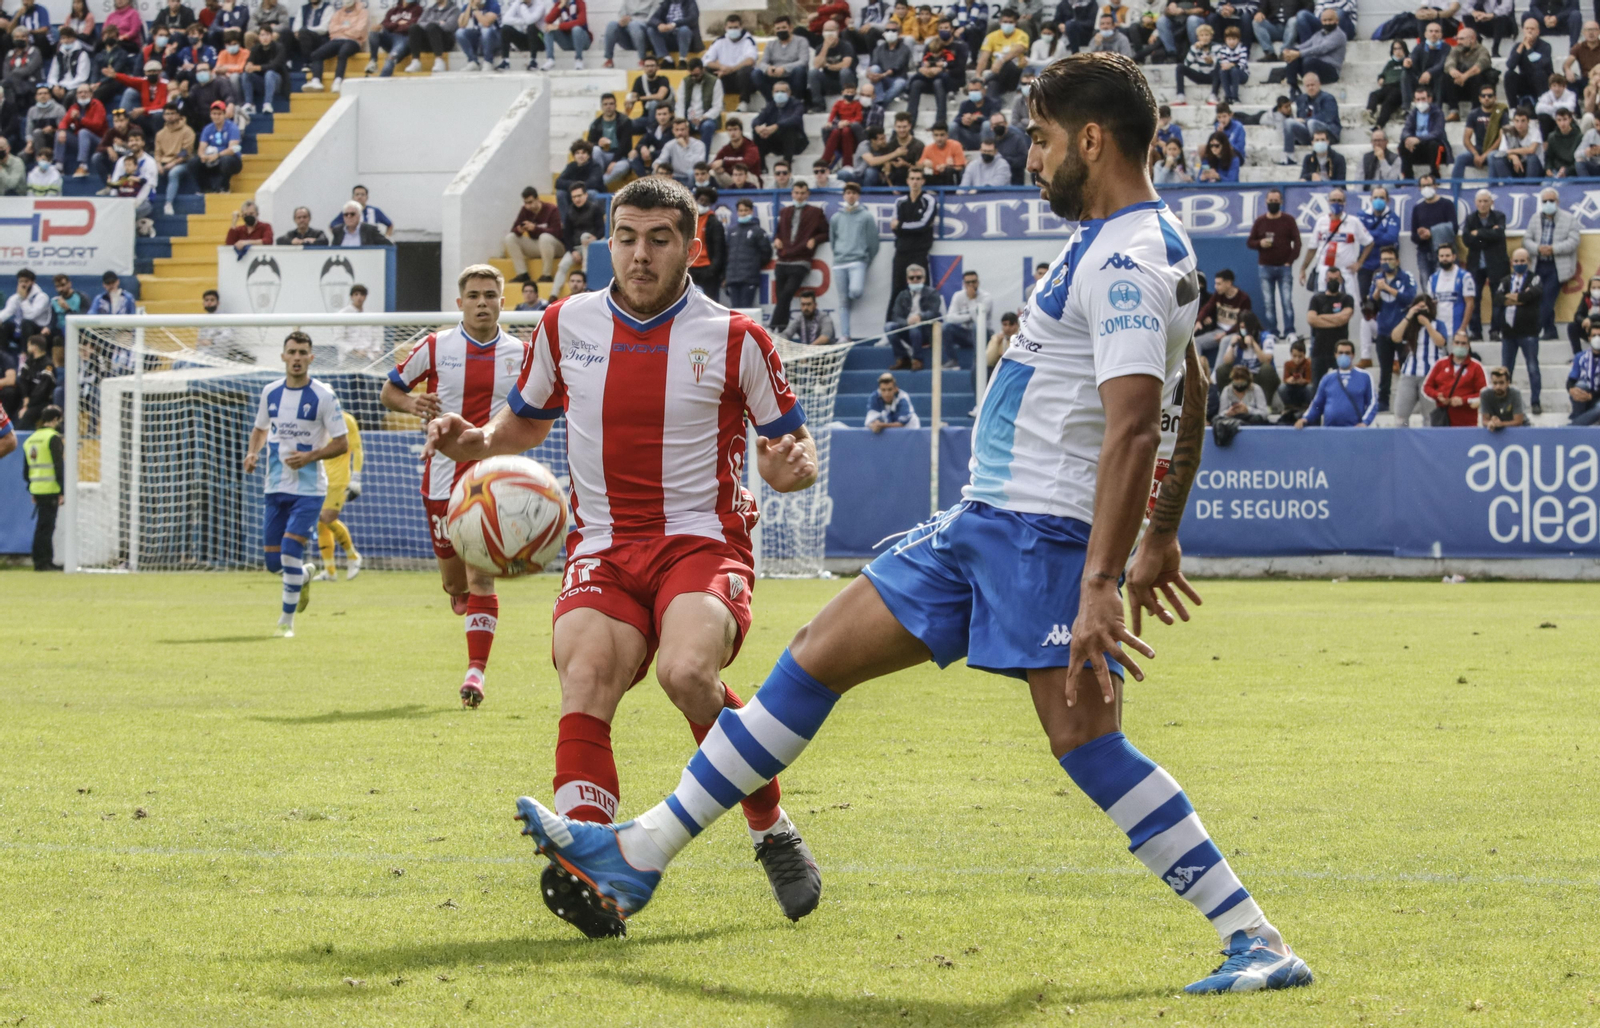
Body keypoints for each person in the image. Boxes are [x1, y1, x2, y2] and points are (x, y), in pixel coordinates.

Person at [515, 55, 1315, 998]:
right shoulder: (1126, 241)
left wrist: (1106, 576)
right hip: (986, 525)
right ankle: (636, 855)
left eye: (1044, 140)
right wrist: (1163, 531)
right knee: (812, 658)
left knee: (1087, 744)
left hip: (1039, 539)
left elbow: (1139, 421)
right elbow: (1189, 377)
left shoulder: (1127, 257)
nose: (1033, 158)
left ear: (1092, 140)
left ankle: (1254, 937)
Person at [427, 177, 826, 939]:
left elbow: (789, 446)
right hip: (603, 544)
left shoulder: (737, 338)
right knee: (584, 677)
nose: (640, 255)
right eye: (627, 238)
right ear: (609, 242)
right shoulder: (563, 324)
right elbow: (524, 422)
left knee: (687, 673)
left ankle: (770, 827)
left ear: (692, 247)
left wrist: (788, 469)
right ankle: (594, 868)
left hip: (702, 540)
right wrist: (475, 441)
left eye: (659, 239)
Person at [377, 265, 528, 701]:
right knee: (455, 584)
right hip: (442, 478)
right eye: (474, 296)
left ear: (503, 302)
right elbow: (389, 391)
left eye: (490, 295)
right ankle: (458, 593)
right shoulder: (435, 346)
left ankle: (475, 673)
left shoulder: (522, 354)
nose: (482, 303)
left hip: (493, 479)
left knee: (482, 579)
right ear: (460, 303)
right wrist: (412, 403)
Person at [241, 332, 350, 637]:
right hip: (276, 486)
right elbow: (260, 429)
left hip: (309, 490)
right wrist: (252, 453)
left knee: (290, 549)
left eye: (303, 352)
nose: (297, 358)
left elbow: (341, 443)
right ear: (283, 357)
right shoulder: (270, 392)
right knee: (273, 562)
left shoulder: (324, 396)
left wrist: (310, 456)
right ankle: (302, 576)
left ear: (311, 358)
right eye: (292, 352)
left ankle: (286, 623)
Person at [313, 408, 364, 579]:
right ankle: (329, 571)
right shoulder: (316, 421)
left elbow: (357, 449)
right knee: (321, 523)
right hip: (320, 479)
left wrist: (356, 478)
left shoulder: (346, 420)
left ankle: (353, 556)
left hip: (339, 479)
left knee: (327, 518)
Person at [771, 181, 827, 334]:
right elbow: (778, 232)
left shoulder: (816, 212)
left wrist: (815, 239)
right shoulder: (785, 211)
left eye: (802, 193)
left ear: (807, 194)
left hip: (801, 260)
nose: (799, 196)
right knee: (782, 298)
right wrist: (776, 239)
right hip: (783, 260)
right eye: (796, 193)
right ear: (792, 194)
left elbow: (825, 232)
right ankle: (781, 331)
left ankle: (772, 327)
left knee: (787, 293)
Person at [1246, 188, 1301, 339]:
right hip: (1265, 267)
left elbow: (1297, 242)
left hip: (1284, 267)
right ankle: (1273, 331)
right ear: (1266, 201)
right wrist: (1260, 243)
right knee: (1268, 302)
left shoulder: (1288, 220)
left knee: (1287, 301)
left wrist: (1290, 261)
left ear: (1281, 202)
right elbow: (1250, 242)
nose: (1273, 203)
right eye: (1271, 201)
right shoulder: (1260, 221)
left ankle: (1289, 330)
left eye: (1276, 201)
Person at [1497, 247, 1545, 414]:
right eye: (1516, 261)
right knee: (1506, 370)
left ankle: (1535, 402)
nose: (1519, 263)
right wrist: (1520, 298)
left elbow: (1531, 295)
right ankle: (1505, 404)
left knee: (1532, 368)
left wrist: (1512, 297)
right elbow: (1498, 299)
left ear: (1528, 262)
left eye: (1522, 261)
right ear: (1511, 262)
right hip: (1508, 332)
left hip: (1529, 332)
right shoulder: (1505, 280)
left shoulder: (1535, 278)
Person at [1528, 187, 1579, 347]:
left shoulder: (1569, 218)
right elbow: (1526, 240)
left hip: (1557, 266)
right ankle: (1550, 331)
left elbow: (1574, 241)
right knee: (1539, 299)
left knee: (1547, 299)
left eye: (1551, 200)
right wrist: (1538, 248)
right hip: (1538, 264)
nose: (1548, 203)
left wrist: (1553, 249)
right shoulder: (1535, 218)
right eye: (1545, 201)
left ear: (1557, 201)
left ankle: (1534, 331)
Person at [828, 181, 878, 344]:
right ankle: (845, 335)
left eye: (854, 193)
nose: (851, 196)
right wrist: (838, 254)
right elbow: (833, 239)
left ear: (858, 196)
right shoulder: (836, 217)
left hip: (858, 261)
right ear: (844, 195)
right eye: (848, 193)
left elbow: (873, 242)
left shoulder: (866, 216)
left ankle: (848, 299)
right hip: (840, 262)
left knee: (856, 291)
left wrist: (866, 259)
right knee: (842, 301)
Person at [1368, 245, 1416, 409]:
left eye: (1389, 259)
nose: (1386, 262)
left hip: (1403, 329)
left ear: (1397, 261)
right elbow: (1371, 304)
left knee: (1406, 367)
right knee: (1385, 369)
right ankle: (1383, 401)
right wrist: (1377, 291)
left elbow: (1409, 298)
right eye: (1383, 259)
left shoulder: (1406, 276)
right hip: (1383, 329)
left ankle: (1409, 401)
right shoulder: (1377, 278)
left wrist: (1387, 288)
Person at [1299, 187, 1372, 298]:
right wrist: (1303, 268)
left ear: (1345, 203)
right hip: (1324, 273)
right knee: (1321, 304)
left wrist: (1359, 263)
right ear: (1328, 201)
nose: (1336, 203)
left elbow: (1369, 242)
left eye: (1339, 200)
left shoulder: (1353, 222)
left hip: (1344, 273)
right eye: (1333, 200)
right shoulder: (1321, 221)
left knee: (1346, 304)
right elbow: (1312, 247)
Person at [1461, 190, 1509, 341]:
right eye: (1480, 201)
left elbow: (1498, 235)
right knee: (1474, 298)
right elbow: (1467, 239)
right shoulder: (1470, 218)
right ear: (1475, 203)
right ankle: (1476, 332)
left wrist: (1479, 234)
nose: (1482, 204)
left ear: (1491, 202)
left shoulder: (1499, 216)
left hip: (1496, 264)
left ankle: (1495, 331)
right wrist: (1488, 235)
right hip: (1476, 265)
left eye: (1485, 201)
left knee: (1498, 298)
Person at [1294, 340, 1375, 427]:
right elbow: (1317, 404)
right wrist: (1305, 418)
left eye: (1347, 353)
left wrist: (1365, 422)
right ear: (1335, 355)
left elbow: (1372, 403)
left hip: (1355, 430)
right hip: (1330, 430)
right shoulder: (1327, 378)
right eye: (1340, 353)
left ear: (1353, 355)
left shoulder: (1364, 377)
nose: (1343, 355)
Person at [22, 403, 63, 570]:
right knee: (47, 527)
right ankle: (43, 562)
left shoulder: (30, 439)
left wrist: (32, 488)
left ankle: (41, 560)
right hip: (51, 488)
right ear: (55, 419)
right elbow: (58, 466)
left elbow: (26, 471)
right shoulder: (53, 438)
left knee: (41, 526)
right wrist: (62, 490)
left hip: (37, 488)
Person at [885, 261, 942, 370]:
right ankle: (903, 358)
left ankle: (917, 359)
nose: (915, 280)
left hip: (925, 329)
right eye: (912, 278)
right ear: (907, 280)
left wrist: (920, 317)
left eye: (918, 277)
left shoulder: (932, 293)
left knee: (914, 327)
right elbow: (895, 316)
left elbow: (934, 312)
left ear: (924, 279)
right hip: (908, 327)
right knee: (889, 327)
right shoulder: (902, 295)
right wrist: (907, 322)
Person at [1422, 330, 1488, 425]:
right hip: (1443, 420)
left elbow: (1483, 394)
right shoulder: (1441, 364)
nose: (1460, 346)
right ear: (1452, 344)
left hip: (1466, 421)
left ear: (1468, 346)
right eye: (1457, 342)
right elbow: (1427, 387)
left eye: (1463, 343)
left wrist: (1463, 400)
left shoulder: (1476, 367)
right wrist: (1437, 395)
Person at [505, 186, 563, 284]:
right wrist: (519, 230)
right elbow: (513, 229)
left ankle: (546, 275)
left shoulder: (551, 209)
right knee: (510, 238)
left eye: (530, 202)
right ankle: (522, 274)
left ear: (537, 199)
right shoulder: (525, 210)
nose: (528, 206)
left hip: (556, 246)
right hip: (537, 246)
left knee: (544, 237)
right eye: (526, 203)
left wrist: (535, 228)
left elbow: (557, 232)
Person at [1305, 266, 1354, 382]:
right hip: (1319, 350)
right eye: (1330, 279)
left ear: (1340, 280)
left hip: (1340, 350)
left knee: (1342, 383)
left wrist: (1321, 317)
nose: (1333, 282)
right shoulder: (1316, 299)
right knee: (1317, 386)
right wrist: (1336, 320)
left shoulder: (1347, 298)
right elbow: (1311, 319)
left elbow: (1344, 319)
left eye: (1336, 279)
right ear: (1325, 280)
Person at [1279, 71, 1339, 164]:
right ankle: (1289, 157)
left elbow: (1328, 117)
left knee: (1312, 123)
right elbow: (1300, 118)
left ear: (1319, 84)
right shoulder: (1301, 99)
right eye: (1307, 85)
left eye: (1312, 85)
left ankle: (1318, 156)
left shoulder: (1328, 98)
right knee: (1289, 122)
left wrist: (1305, 120)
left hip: (1328, 134)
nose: (1310, 88)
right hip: (1308, 134)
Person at [702, 15, 757, 110]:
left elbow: (750, 60)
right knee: (707, 71)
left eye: (736, 27)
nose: (733, 30)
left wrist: (731, 69)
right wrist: (721, 67)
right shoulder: (720, 41)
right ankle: (717, 103)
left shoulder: (748, 40)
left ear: (741, 27)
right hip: (723, 76)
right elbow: (706, 60)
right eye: (730, 28)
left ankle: (743, 103)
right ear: (725, 28)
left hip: (741, 79)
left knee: (746, 71)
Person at [751, 78, 808, 165]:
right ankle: (761, 166)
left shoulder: (796, 104)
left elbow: (796, 119)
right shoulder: (771, 105)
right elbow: (758, 119)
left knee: (788, 129)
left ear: (789, 93)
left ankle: (787, 162)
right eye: (777, 91)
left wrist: (776, 126)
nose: (779, 94)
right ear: (772, 93)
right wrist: (757, 127)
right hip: (776, 142)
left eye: (782, 91)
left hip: (795, 143)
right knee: (757, 133)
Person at [1400, 84, 1450, 178]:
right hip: (1416, 147)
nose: (1420, 102)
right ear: (1414, 100)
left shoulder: (1438, 113)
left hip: (1432, 145)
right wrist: (1408, 138)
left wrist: (1419, 139)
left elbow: (1437, 133)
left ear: (1430, 99)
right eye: (1418, 99)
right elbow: (1405, 130)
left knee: (1433, 144)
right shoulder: (1412, 114)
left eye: (1423, 99)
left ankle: (1435, 174)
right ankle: (1408, 177)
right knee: (1403, 144)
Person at [1503, 18, 1553, 108]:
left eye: (1532, 29)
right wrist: (1521, 47)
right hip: (1525, 81)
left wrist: (1529, 48)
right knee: (1509, 74)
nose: (1529, 31)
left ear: (1538, 31)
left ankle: (1543, 105)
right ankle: (1513, 107)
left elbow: (1538, 65)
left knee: (1539, 74)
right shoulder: (1518, 46)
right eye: (1527, 28)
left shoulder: (1545, 46)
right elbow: (1510, 65)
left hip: (1541, 82)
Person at [0, 270, 50, 353]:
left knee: (26, 323)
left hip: (37, 332)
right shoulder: (15, 298)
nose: (23, 284)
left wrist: (23, 299)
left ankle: (25, 354)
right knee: (5, 325)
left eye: (26, 281)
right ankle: (2, 353)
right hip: (20, 331)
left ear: (33, 282)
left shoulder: (42, 297)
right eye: (21, 281)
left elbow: (30, 316)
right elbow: (7, 311)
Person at [403, 0, 460, 73]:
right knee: (414, 28)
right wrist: (439, 23)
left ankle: (439, 60)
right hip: (429, 41)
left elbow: (449, 26)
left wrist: (433, 25)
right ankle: (415, 61)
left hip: (445, 42)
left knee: (432, 27)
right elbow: (420, 23)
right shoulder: (429, 9)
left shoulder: (454, 10)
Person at [601, 0, 654, 68]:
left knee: (634, 25)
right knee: (611, 25)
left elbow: (653, 19)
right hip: (628, 37)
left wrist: (631, 20)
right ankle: (609, 59)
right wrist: (623, 20)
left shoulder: (655, 1)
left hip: (644, 37)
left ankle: (642, 59)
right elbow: (622, 13)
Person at [540, 0, 589, 69]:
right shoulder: (559, 5)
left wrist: (558, 26)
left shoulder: (579, 3)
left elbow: (581, 21)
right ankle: (550, 59)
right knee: (548, 28)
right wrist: (560, 6)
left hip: (583, 41)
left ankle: (579, 59)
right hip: (567, 42)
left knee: (576, 29)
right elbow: (548, 20)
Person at [1566, 333, 1600, 424]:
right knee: (1580, 385)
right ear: (1589, 338)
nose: (1597, 338)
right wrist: (1571, 390)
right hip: (1583, 396)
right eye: (1594, 335)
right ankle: (1579, 417)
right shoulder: (1580, 357)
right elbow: (1571, 380)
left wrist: (1591, 396)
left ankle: (1573, 426)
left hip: (1597, 397)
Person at [1478, 365, 1526, 429]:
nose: (1498, 386)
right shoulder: (1485, 394)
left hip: (1520, 428)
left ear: (1508, 383)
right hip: (1495, 428)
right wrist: (1490, 423)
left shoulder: (1515, 393)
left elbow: (1518, 421)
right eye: (1495, 383)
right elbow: (1484, 421)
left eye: (1501, 383)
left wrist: (1501, 424)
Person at [1277, 338, 1314, 415]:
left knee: (1310, 388)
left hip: (1303, 389)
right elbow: (1285, 379)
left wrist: (1302, 381)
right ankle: (1289, 406)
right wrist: (1290, 380)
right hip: (1292, 389)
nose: (1297, 359)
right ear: (1291, 354)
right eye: (1294, 356)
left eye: (1300, 356)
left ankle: (1307, 406)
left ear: (1304, 355)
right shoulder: (1288, 364)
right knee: (1281, 388)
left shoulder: (1308, 363)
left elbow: (1309, 380)